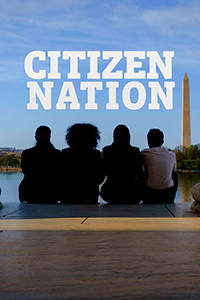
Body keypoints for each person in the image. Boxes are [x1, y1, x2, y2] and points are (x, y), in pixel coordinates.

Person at [60, 123, 104, 204]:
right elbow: (100, 178)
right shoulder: (95, 154)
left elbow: (61, 176)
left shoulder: (65, 153)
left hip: (68, 195)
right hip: (89, 195)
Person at [100, 124, 143, 204]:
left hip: (110, 193)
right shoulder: (135, 151)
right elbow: (139, 174)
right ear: (129, 137)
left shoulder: (107, 151)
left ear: (114, 137)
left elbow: (103, 172)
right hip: (133, 193)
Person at [19, 125, 61, 203]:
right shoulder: (56, 153)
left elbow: (25, 171)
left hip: (29, 189)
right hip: (51, 189)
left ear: (36, 137)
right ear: (49, 137)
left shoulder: (27, 153)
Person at [141, 128, 177, 204]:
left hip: (149, 195)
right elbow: (173, 171)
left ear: (148, 142)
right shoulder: (172, 155)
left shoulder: (143, 154)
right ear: (162, 142)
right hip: (168, 195)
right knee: (174, 174)